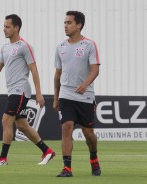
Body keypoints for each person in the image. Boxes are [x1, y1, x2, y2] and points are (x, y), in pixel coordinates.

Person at [0, 14, 55, 166]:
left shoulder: (24, 46)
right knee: (22, 125)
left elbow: (34, 70)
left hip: (21, 91)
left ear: (16, 28)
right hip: (13, 91)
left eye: (7, 26)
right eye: (4, 26)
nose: (4, 29)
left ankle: (3, 158)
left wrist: (39, 93)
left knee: (6, 119)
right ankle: (47, 151)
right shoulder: (4, 47)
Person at [53, 11, 101, 177]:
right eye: (64, 22)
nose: (65, 25)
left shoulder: (89, 45)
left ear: (79, 25)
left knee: (89, 134)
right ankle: (67, 168)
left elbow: (95, 69)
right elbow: (57, 75)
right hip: (66, 95)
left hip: (85, 96)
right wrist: (55, 97)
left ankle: (93, 157)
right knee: (66, 128)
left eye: (69, 22)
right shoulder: (60, 47)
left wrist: (85, 84)